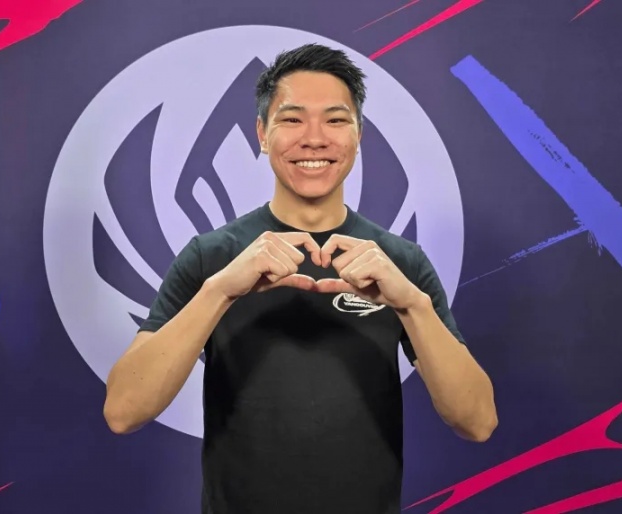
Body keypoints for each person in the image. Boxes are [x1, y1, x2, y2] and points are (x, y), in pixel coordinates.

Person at [103, 43, 498, 514]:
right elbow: (124, 411)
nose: (314, 139)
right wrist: (220, 291)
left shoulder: (400, 263)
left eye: (335, 120)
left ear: (358, 135)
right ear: (262, 134)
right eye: (292, 119)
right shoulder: (212, 257)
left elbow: (477, 422)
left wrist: (413, 305)